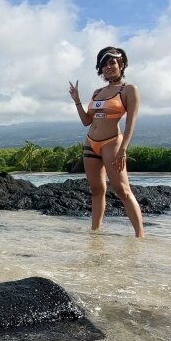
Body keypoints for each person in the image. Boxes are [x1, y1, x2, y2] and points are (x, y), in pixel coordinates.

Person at [68, 46, 145, 237]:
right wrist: (77, 100)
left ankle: (140, 236)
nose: (108, 67)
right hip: (90, 143)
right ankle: (95, 234)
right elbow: (87, 121)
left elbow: (131, 123)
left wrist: (123, 149)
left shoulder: (129, 90)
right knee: (96, 190)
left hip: (112, 143)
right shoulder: (97, 92)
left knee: (122, 190)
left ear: (121, 64)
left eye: (112, 63)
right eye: (104, 65)